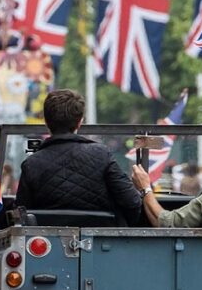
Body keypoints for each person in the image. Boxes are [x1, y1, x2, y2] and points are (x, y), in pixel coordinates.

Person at [14, 89, 143, 225]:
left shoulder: (31, 164)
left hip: (49, 243)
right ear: (80, 122)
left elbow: (22, 215)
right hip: (103, 243)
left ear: (46, 121)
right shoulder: (102, 155)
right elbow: (132, 202)